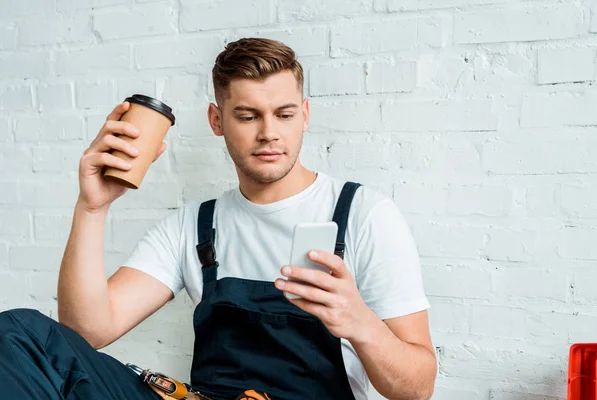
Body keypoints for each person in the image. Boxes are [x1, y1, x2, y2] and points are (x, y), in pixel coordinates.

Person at [0, 38, 436, 400]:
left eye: (283, 115)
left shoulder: (365, 215)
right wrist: (92, 207)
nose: (268, 132)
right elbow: (85, 333)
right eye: (247, 116)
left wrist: (359, 322)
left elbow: (417, 387)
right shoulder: (193, 225)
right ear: (217, 120)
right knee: (21, 333)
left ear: (304, 115)